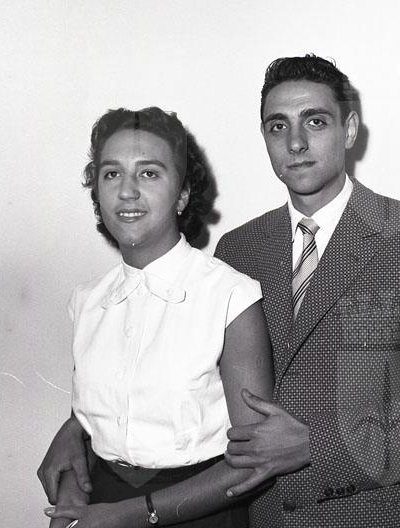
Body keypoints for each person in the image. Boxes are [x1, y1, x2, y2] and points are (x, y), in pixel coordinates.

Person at [40, 56, 400, 527]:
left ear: (350, 130)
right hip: (261, 517)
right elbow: (180, 381)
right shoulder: (240, 249)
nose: (295, 143)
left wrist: (317, 444)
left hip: (377, 515)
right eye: (278, 126)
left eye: (315, 122)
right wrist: (78, 429)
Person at [41, 107, 273, 528]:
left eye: (149, 173)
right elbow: (92, 422)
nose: (127, 191)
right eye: (112, 174)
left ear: (182, 194)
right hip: (104, 506)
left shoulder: (230, 296)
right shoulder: (87, 301)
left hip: (199, 510)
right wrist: (72, 497)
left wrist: (131, 514)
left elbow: (254, 461)